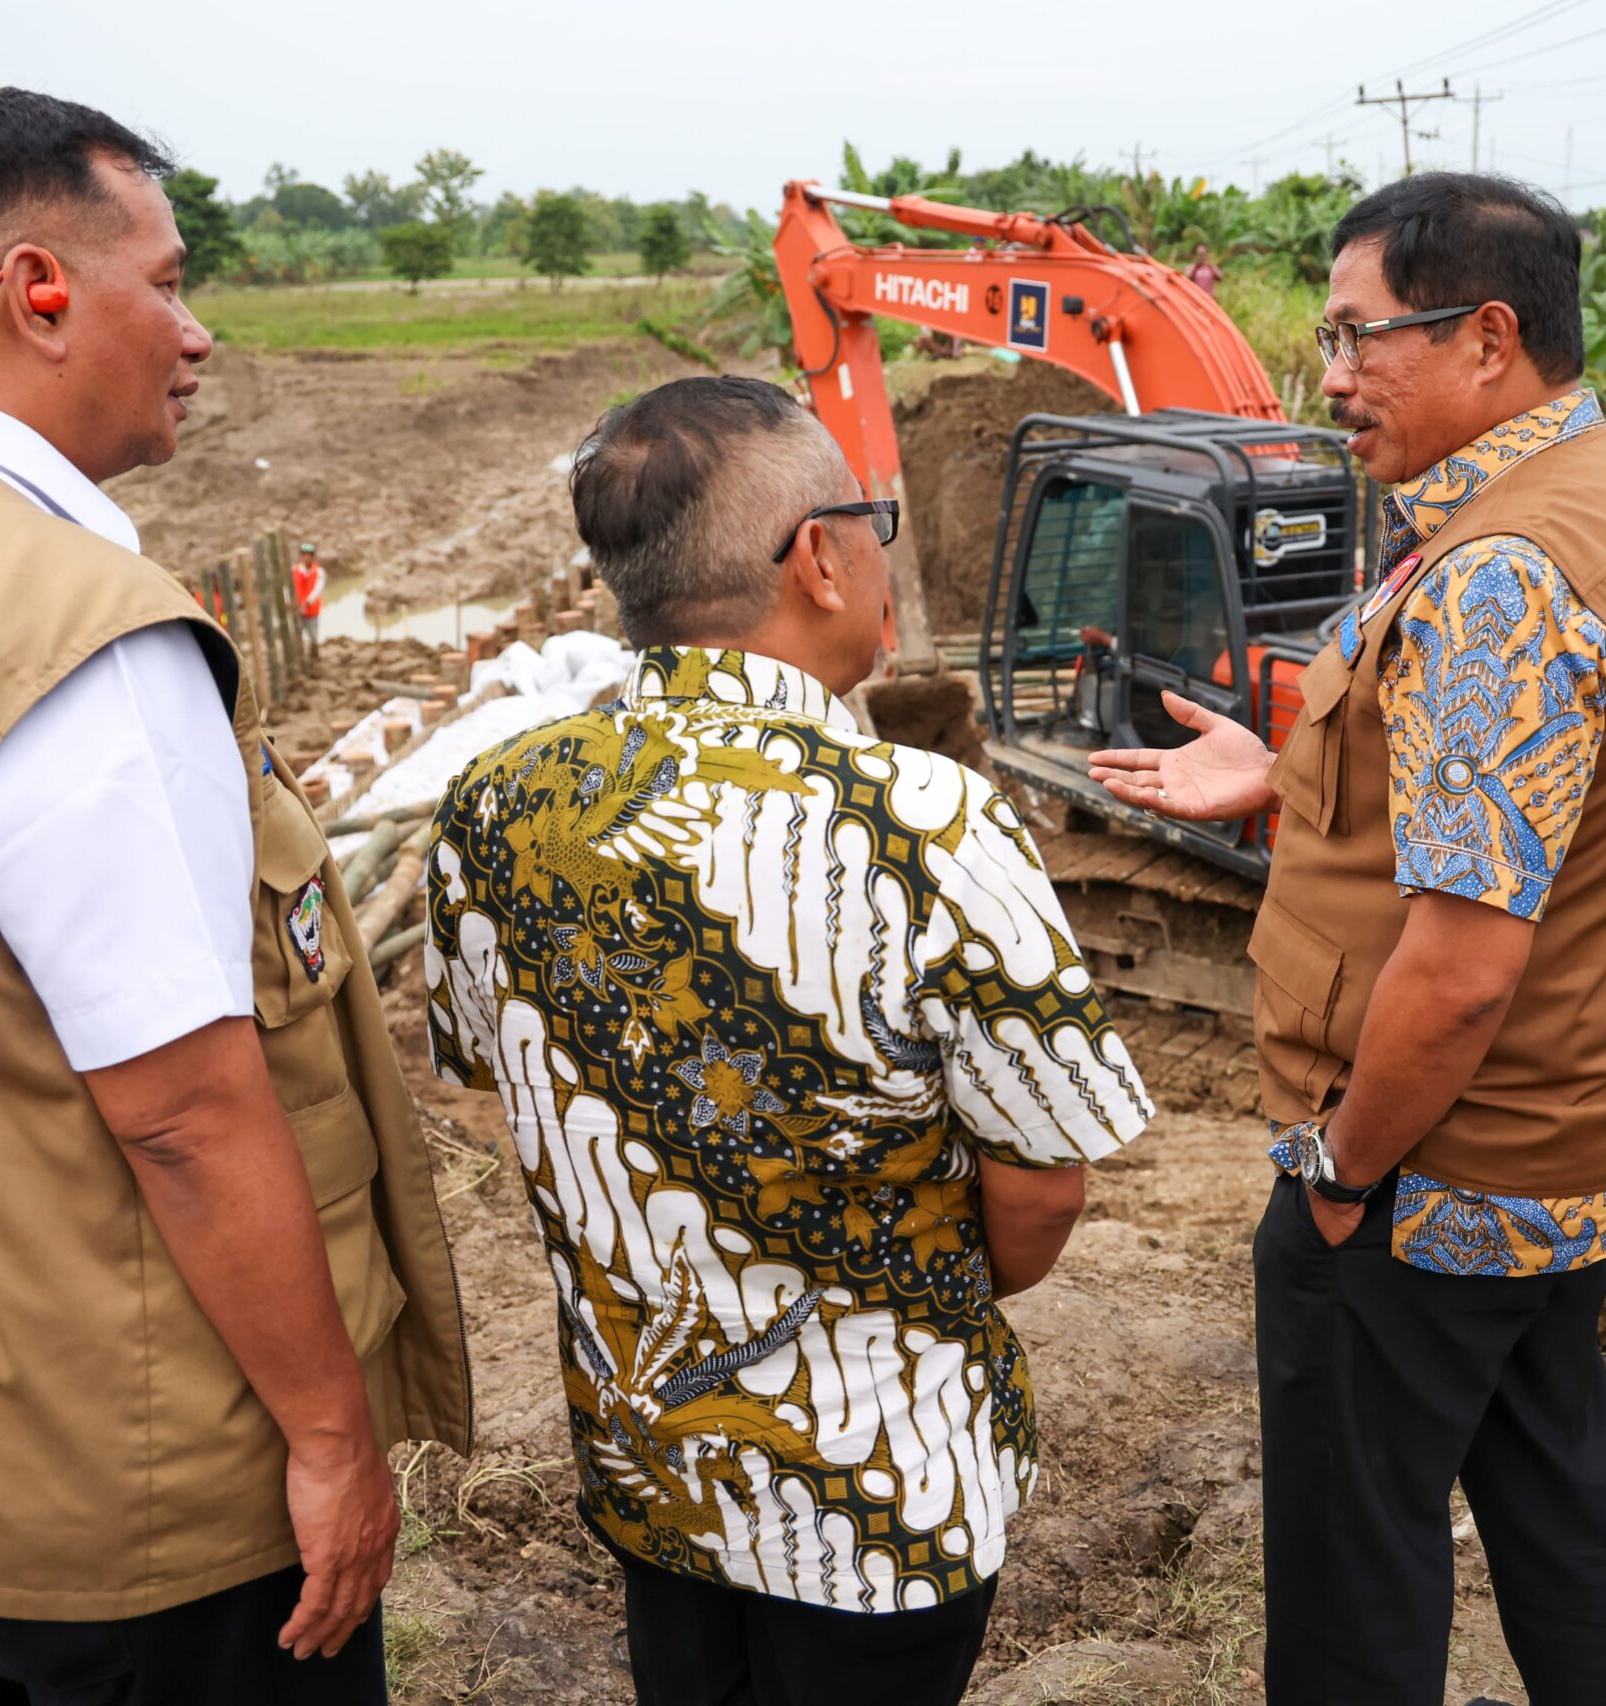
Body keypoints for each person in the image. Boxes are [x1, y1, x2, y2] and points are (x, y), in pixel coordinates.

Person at [0, 88, 470, 1704]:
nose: (197, 335)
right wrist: (333, 1441)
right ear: (40, 291)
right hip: (122, 1499)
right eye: (169, 282)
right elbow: (184, 1106)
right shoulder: (76, 640)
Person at [424, 376, 1151, 1706]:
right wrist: (888, 1292)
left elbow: (497, 1078)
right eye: (872, 518)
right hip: (879, 1495)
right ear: (818, 554)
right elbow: (1041, 1192)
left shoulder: (496, 802)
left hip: (651, 1468)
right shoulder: (925, 821)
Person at [1092, 171, 1606, 1706]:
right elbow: (1515, 808)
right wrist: (1288, 775)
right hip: (1577, 1118)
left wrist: (1342, 1173)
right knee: (1556, 1480)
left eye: (1365, 337)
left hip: (1440, 1168)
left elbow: (1464, 963)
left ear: (1489, 335)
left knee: (1355, 1565)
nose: (1333, 375)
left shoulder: (1505, 571)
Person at [293, 540, 326, 648]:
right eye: (303, 555)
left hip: (312, 611)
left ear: (312, 556)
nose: (306, 557)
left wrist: (306, 603)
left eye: (308, 555)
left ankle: (314, 655)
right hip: (297, 610)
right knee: (297, 637)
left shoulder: (319, 572)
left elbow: (318, 590)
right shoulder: (294, 570)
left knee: (313, 637)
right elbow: (289, 588)